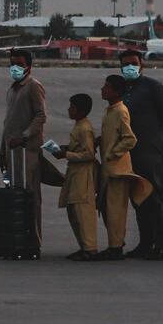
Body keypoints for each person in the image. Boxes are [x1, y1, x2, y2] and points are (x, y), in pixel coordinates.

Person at [117, 50, 163, 258]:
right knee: (140, 198)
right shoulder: (125, 90)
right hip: (131, 154)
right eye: (126, 64)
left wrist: (154, 137)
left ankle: (161, 245)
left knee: (157, 198)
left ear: (142, 64)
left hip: (151, 152)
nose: (130, 67)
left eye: (134, 63)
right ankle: (145, 243)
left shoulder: (153, 87)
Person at [95, 73, 151, 261]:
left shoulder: (120, 111)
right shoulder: (110, 111)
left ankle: (116, 247)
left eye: (107, 87)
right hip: (109, 169)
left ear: (117, 92)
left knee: (116, 210)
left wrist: (112, 152)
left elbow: (130, 139)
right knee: (108, 209)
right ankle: (115, 243)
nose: (103, 89)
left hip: (118, 170)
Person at [0, 50, 47, 234]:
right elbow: (7, 123)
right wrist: (2, 151)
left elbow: (41, 116)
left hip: (27, 152)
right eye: (12, 64)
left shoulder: (33, 86)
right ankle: (18, 237)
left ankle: (33, 239)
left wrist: (24, 137)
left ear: (29, 66)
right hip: (11, 153)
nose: (14, 68)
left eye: (19, 64)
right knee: (15, 197)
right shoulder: (12, 89)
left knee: (30, 197)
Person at [56, 92, 99, 260]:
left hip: (83, 175)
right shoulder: (79, 126)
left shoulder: (84, 128)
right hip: (75, 174)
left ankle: (90, 248)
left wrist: (66, 155)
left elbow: (88, 154)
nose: (69, 110)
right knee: (73, 210)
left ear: (80, 110)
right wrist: (67, 149)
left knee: (83, 212)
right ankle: (83, 246)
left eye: (72, 107)